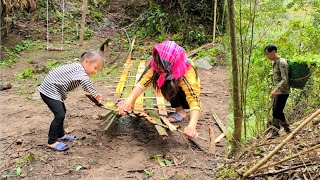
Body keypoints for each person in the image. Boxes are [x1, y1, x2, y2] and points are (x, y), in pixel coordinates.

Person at [117, 41, 201, 138]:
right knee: (162, 81)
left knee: (171, 85)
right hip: (170, 78)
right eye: (155, 62)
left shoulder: (187, 73)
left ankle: (180, 111)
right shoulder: (156, 65)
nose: (155, 66)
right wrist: (129, 101)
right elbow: (142, 83)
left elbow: (194, 100)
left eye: (158, 64)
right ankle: (130, 103)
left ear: (168, 63)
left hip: (185, 94)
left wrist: (192, 126)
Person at [38, 50, 104, 151]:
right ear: (86, 62)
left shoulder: (78, 68)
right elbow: (87, 85)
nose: (95, 71)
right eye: (95, 68)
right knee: (59, 115)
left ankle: (61, 135)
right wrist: (97, 95)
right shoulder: (80, 69)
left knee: (62, 112)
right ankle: (52, 141)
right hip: (49, 91)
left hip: (54, 91)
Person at [264, 44, 291, 138]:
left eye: (268, 54)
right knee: (278, 111)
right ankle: (287, 128)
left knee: (276, 111)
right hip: (278, 91)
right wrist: (274, 90)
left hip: (283, 91)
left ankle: (275, 132)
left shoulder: (282, 62)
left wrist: (276, 89)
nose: (267, 56)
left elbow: (285, 79)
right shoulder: (274, 62)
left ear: (273, 52)